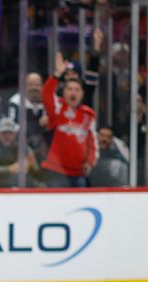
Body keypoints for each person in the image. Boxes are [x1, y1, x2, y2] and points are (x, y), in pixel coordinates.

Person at [42, 52, 99, 187]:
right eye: (69, 89)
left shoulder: (88, 115)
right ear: (64, 91)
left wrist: (90, 163)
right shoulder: (57, 108)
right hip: (56, 171)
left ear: (82, 93)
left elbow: (93, 142)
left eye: (77, 90)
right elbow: (46, 94)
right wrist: (56, 75)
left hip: (79, 173)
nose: (73, 92)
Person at [0, 117, 36, 188]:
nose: (7, 136)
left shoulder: (24, 149)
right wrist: (9, 169)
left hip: (23, 188)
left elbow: (36, 170)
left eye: (10, 133)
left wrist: (30, 165)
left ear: (15, 134)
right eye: (4, 133)